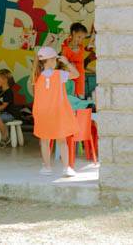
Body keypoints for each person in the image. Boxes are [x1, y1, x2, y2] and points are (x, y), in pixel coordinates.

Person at [32, 46, 79, 177]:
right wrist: (66, 62)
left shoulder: (36, 76)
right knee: (62, 141)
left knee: (45, 141)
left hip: (42, 113)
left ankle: (47, 168)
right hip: (57, 113)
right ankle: (66, 168)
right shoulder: (59, 74)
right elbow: (76, 74)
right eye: (55, 59)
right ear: (52, 60)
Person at [61, 23, 88, 98]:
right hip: (71, 77)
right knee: (70, 97)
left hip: (80, 76)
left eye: (82, 38)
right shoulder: (65, 48)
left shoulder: (81, 47)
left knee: (80, 98)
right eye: (79, 37)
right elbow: (62, 65)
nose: (80, 40)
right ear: (73, 33)